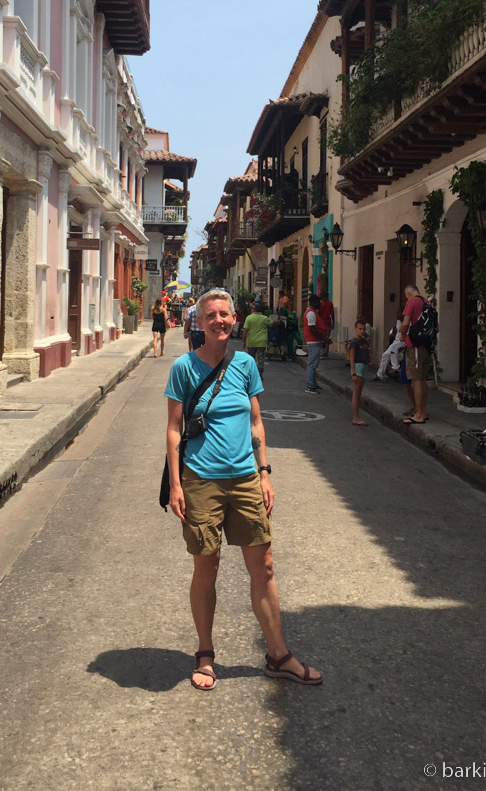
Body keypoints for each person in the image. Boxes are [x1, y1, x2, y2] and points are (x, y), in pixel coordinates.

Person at [164, 289, 322, 690]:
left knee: (264, 567)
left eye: (224, 314)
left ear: (234, 319)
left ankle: (278, 654)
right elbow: (172, 430)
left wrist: (264, 472)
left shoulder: (247, 365)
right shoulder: (184, 367)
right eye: (210, 315)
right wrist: (177, 485)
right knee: (207, 565)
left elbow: (255, 422)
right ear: (199, 322)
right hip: (201, 479)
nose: (218, 320)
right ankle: (205, 653)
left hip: (246, 478)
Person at [398, 284, 431, 424]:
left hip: (415, 345)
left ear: (409, 293)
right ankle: (422, 411)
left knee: (416, 381)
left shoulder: (412, 301)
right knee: (422, 380)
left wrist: (402, 335)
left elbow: (405, 322)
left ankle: (418, 414)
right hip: (426, 346)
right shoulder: (427, 302)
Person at [304, 293, 328, 394]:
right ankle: (310, 386)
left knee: (314, 364)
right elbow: (312, 328)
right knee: (312, 364)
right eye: (318, 301)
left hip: (315, 341)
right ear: (313, 302)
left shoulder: (313, 312)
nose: (320, 303)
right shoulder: (311, 313)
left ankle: (313, 383)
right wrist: (323, 338)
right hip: (313, 341)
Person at [349, 320, 371, 426]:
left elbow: (369, 341)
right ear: (355, 329)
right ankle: (355, 417)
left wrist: (365, 334)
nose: (362, 331)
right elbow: (352, 358)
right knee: (356, 394)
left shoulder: (363, 341)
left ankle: (356, 416)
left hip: (364, 366)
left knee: (359, 393)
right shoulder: (354, 342)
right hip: (358, 367)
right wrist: (353, 373)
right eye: (360, 329)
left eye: (363, 329)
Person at [242, 301, 271, 377]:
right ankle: (260, 373)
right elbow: (271, 323)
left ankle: (251, 374)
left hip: (251, 341)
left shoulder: (249, 318)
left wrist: (243, 341)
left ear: (253, 310)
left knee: (251, 358)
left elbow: (245, 330)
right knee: (260, 358)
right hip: (261, 342)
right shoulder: (265, 318)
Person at [375, 312, 405, 380]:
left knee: (393, 349)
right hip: (396, 341)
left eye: (398, 314)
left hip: (403, 341)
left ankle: (395, 366)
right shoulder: (398, 321)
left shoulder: (407, 321)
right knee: (385, 355)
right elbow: (397, 331)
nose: (397, 315)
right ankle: (379, 375)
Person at [319, 291, 335, 357]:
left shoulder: (320, 304)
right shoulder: (330, 303)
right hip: (328, 322)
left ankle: (322, 351)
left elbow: (318, 313)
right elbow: (332, 314)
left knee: (321, 337)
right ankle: (326, 352)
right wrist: (333, 322)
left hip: (321, 323)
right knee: (327, 337)